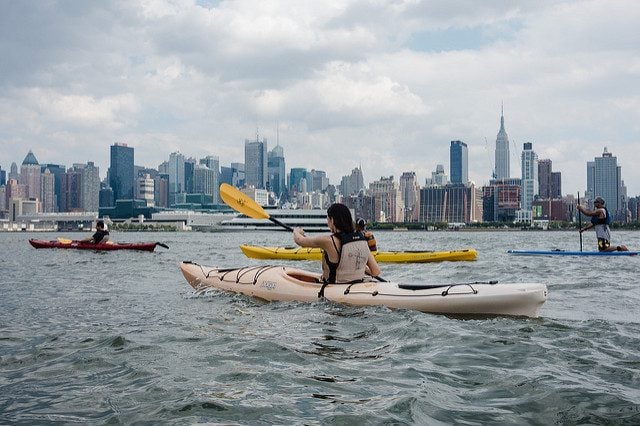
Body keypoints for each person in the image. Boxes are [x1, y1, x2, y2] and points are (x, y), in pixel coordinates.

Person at [293, 203, 381, 287]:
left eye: (328, 220)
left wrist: (296, 231)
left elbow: (300, 241)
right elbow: (375, 271)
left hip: (334, 289)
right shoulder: (362, 239)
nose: (328, 223)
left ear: (332, 220)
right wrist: (357, 268)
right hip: (358, 286)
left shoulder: (328, 241)